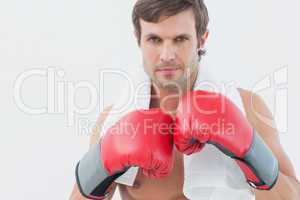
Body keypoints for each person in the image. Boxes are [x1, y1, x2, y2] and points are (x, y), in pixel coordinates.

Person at [70, 0, 300, 199]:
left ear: (202, 39)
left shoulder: (248, 108)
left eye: (180, 39)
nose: (167, 55)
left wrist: (251, 154)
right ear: (138, 39)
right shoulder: (112, 121)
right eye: (155, 40)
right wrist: (101, 166)